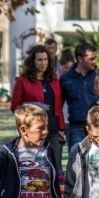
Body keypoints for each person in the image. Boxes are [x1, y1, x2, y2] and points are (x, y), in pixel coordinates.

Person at [10, 45, 65, 174]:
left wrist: (61, 128)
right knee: (34, 164)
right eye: (39, 60)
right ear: (32, 62)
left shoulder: (54, 81)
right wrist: (36, 107)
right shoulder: (23, 81)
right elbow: (15, 106)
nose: (43, 63)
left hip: (52, 128)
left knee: (54, 165)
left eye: (45, 59)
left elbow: (58, 106)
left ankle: (54, 193)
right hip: (32, 129)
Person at [61, 42, 99, 149]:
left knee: (96, 163)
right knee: (77, 161)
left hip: (98, 126)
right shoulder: (65, 79)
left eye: (95, 58)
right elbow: (58, 105)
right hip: (76, 127)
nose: (94, 61)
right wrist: (60, 127)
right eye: (91, 59)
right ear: (80, 59)